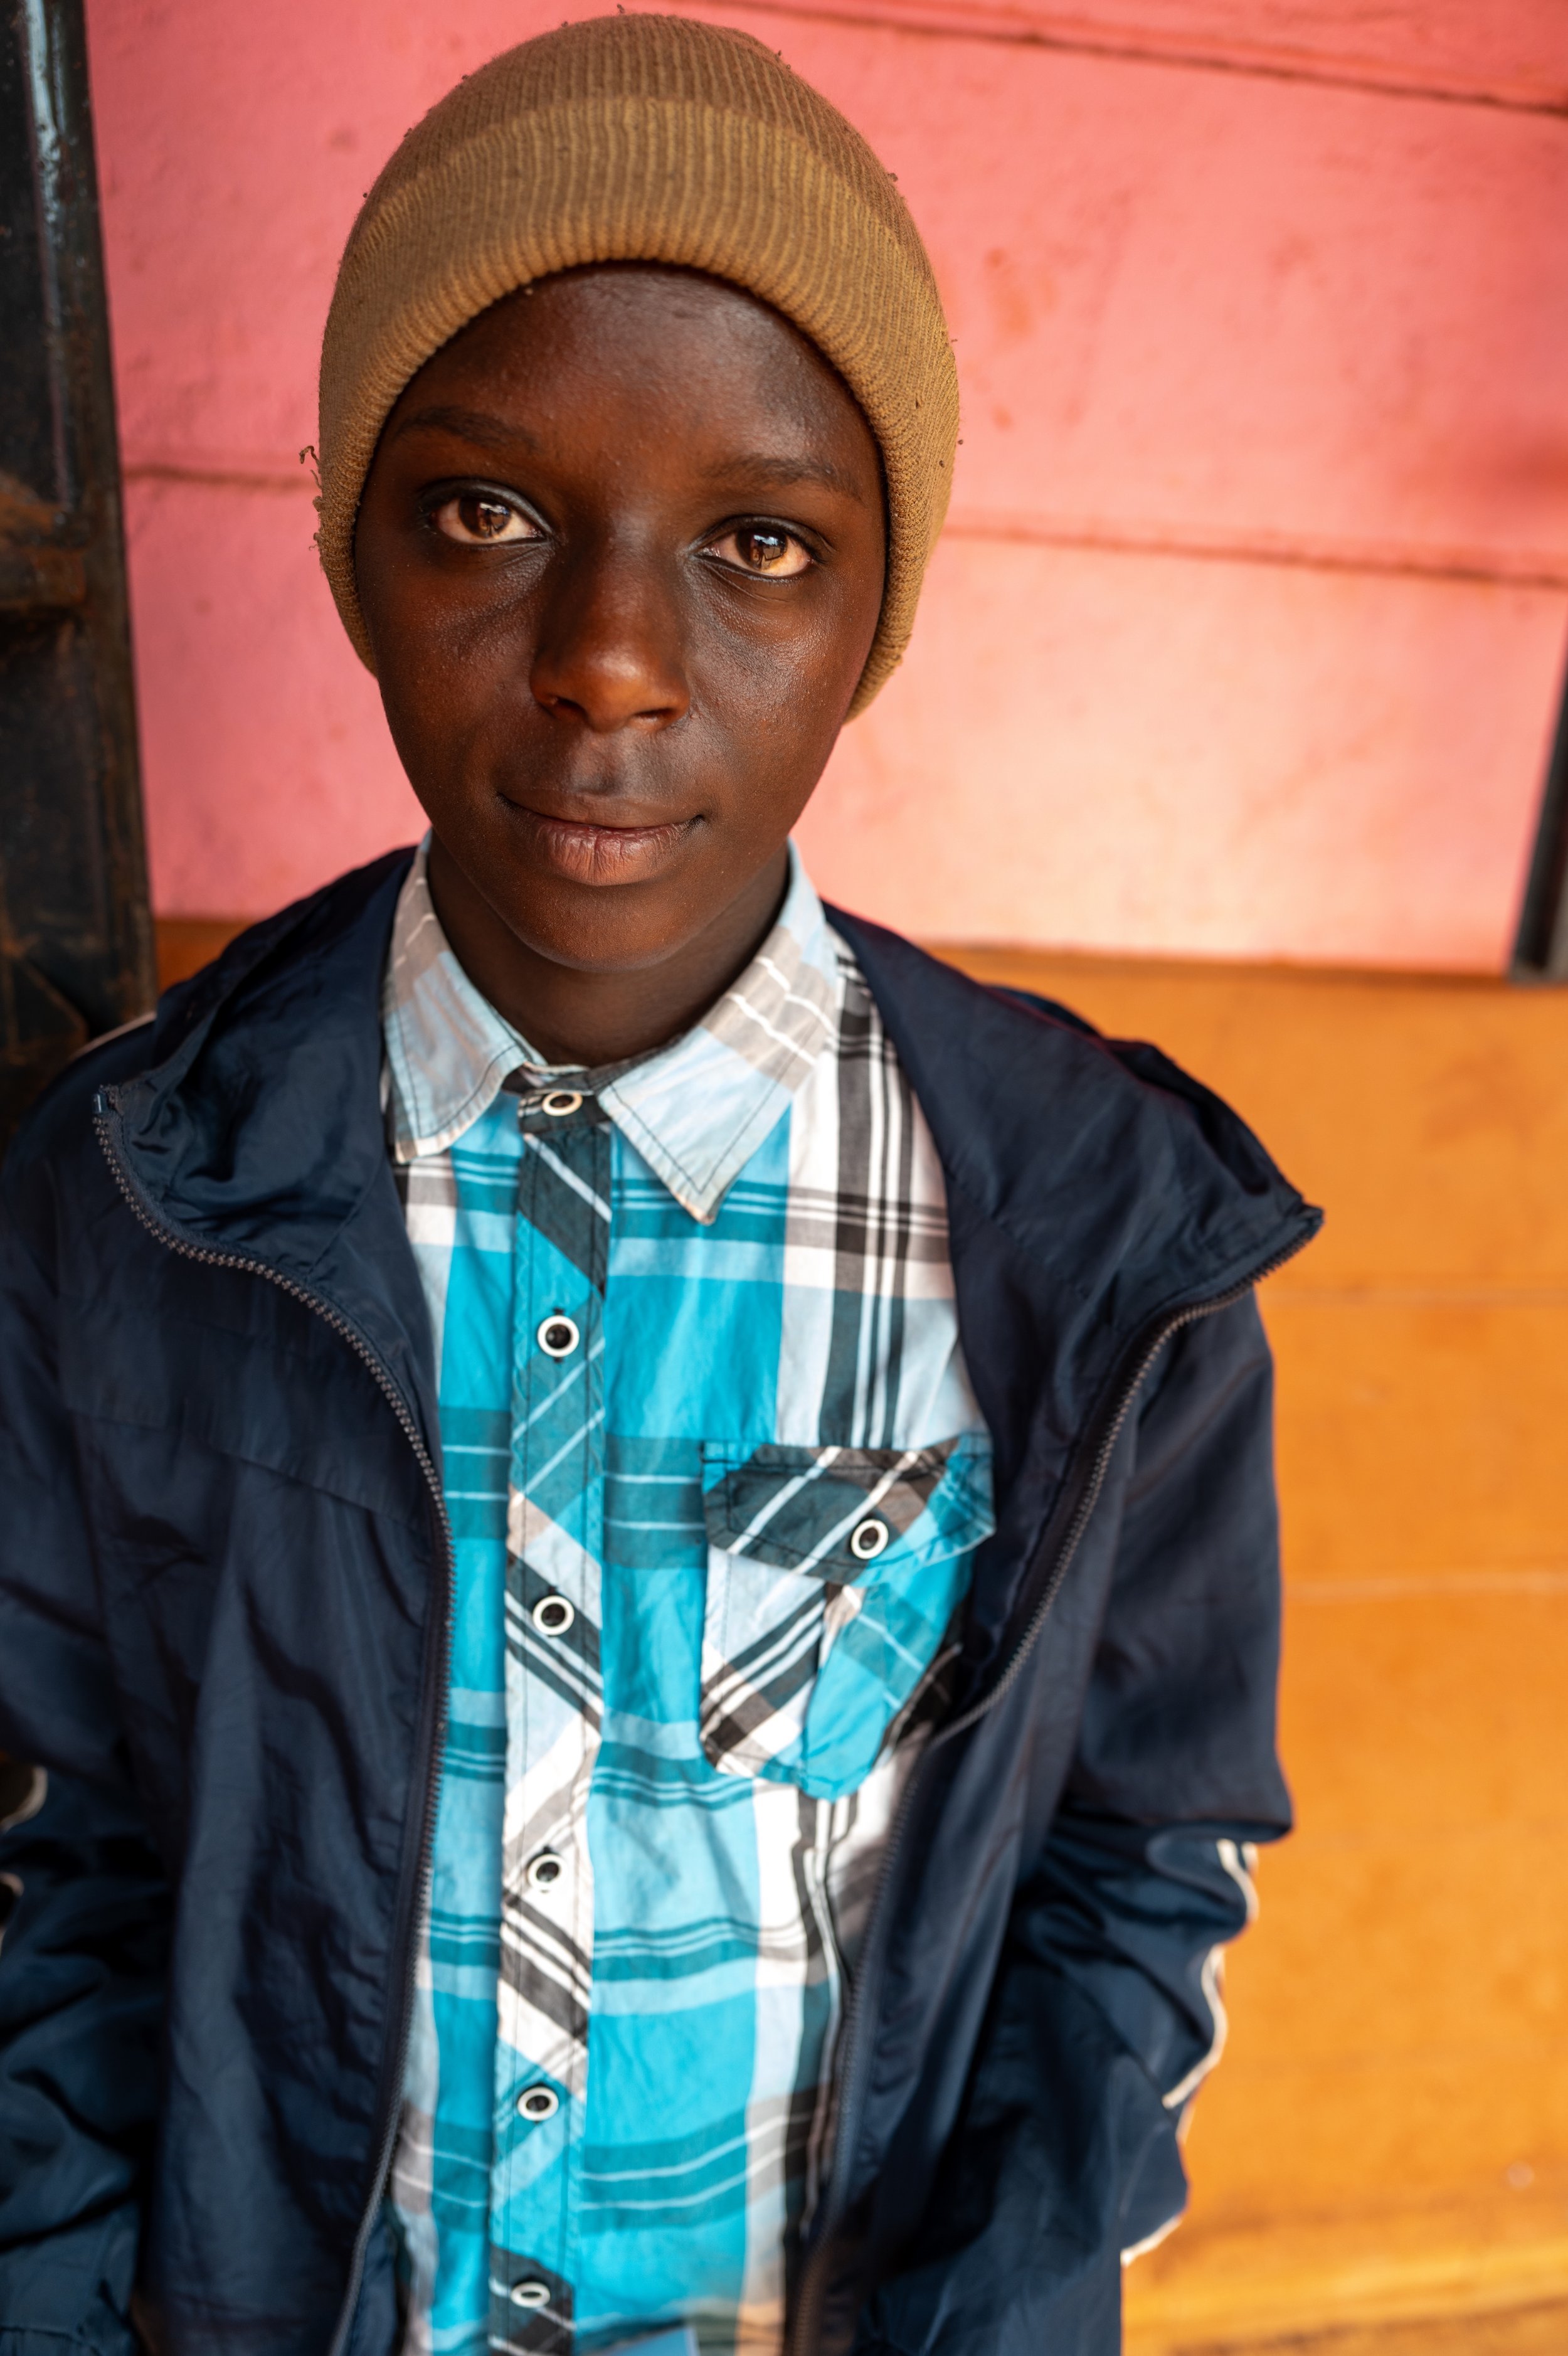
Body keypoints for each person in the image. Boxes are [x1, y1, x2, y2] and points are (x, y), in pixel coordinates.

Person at [0, 17, 1320, 2356]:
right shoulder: (125, 1201)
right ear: (352, 550)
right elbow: (66, 1868)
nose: (610, 662)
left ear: (870, 614)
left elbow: (1135, 1861)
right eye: (489, 514)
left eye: (757, 544)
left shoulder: (1098, 1246)